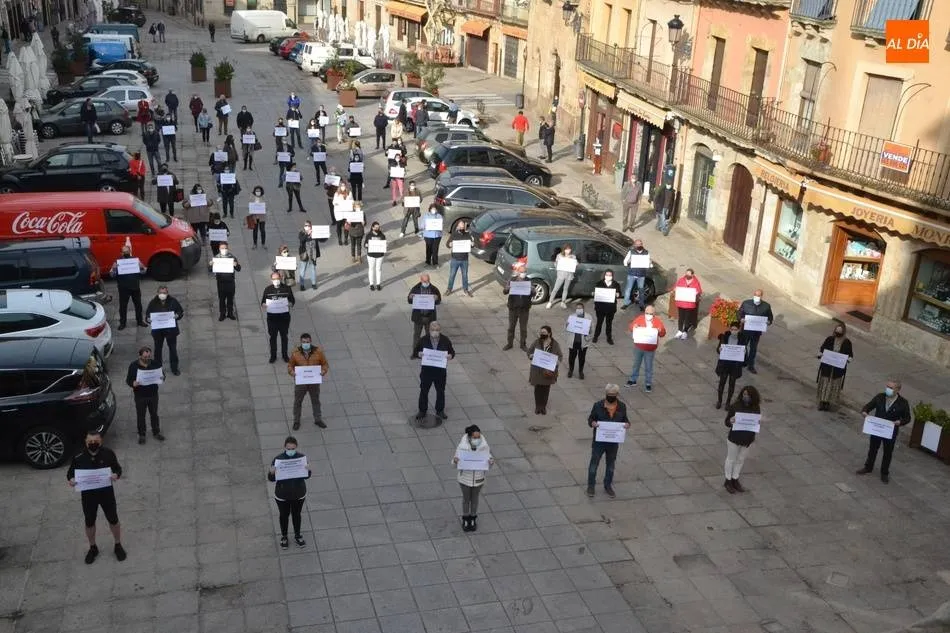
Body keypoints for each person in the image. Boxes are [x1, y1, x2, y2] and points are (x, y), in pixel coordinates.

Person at [67, 429, 126, 564]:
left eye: (96, 441)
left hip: (106, 493)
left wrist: (116, 475)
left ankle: (118, 545)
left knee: (113, 519)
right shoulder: (78, 456)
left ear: (101, 441)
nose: (93, 443)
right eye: (90, 441)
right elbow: (70, 473)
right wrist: (71, 480)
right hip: (88, 496)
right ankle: (93, 547)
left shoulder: (108, 454)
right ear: (86, 442)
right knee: (89, 522)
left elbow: (118, 468)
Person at [856, 380, 911, 484]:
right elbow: (868, 406)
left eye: (891, 388)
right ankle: (868, 467)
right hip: (877, 429)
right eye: (887, 386)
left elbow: (907, 418)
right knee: (873, 449)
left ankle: (884, 473)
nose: (888, 389)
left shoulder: (903, 403)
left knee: (888, 452)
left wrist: (900, 422)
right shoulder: (880, 397)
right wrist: (864, 412)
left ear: (898, 390)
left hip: (890, 431)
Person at [586, 384, 630, 498]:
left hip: (613, 442)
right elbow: (591, 418)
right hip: (599, 442)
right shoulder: (598, 406)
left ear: (617, 395)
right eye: (609, 395)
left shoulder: (622, 407)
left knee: (610, 465)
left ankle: (608, 485)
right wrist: (593, 423)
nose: (611, 397)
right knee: (594, 464)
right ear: (606, 395)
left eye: (613, 395)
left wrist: (627, 424)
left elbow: (625, 419)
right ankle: (591, 486)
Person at [267, 436, 311, 548]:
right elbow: (271, 479)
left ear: (296, 447)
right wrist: (271, 473)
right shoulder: (278, 459)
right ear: (285, 447)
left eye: (293, 448)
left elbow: (306, 476)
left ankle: (297, 536)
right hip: (282, 495)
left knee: (297, 515)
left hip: (298, 494)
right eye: (288, 448)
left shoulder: (302, 458)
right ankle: (284, 536)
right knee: (283, 516)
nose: (290, 451)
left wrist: (308, 470)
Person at [452, 425, 493, 532]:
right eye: (475, 438)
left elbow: (489, 460)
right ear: (469, 437)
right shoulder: (462, 447)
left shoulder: (484, 446)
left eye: (478, 437)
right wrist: (455, 461)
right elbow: (454, 462)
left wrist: (490, 462)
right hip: (464, 479)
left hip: (479, 479)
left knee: (475, 499)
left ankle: (473, 518)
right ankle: (466, 518)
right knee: (466, 499)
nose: (477, 439)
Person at [413, 321, 455, 421]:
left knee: (440, 391)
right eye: (433, 330)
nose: (434, 332)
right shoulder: (423, 340)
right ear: (429, 330)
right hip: (427, 371)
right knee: (424, 391)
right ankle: (422, 410)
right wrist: (419, 354)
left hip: (440, 372)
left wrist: (450, 356)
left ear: (440, 330)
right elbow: (415, 351)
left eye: (437, 330)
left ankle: (440, 410)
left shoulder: (445, 340)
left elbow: (452, 351)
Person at [723, 385, 761, 493]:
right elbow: (726, 422)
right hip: (734, 438)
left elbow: (755, 423)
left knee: (740, 459)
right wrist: (731, 421)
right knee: (731, 459)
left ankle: (735, 478)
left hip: (747, 439)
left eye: (748, 395)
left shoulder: (756, 408)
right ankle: (728, 480)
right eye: (744, 394)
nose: (746, 397)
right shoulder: (735, 406)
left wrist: (757, 423)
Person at [288, 333, 329, 429]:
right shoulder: (295, 353)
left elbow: (325, 364)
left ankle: (318, 419)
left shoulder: (318, 352)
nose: (305, 343)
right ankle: (296, 421)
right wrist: (292, 372)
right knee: (298, 402)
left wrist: (323, 371)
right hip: (300, 383)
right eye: (303, 342)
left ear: (310, 342)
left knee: (315, 401)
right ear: (301, 342)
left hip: (314, 383)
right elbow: (290, 365)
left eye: (307, 342)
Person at [125, 345, 165, 444]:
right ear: (140, 356)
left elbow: (162, 375)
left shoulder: (155, 364)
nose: (147, 359)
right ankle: (142, 434)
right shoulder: (133, 366)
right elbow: (128, 380)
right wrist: (132, 383)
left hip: (153, 395)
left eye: (148, 357)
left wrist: (163, 377)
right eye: (145, 357)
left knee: (154, 414)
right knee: (141, 416)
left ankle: (156, 432)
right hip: (140, 396)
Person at [626, 304, 666, 393]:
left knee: (648, 366)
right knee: (636, 364)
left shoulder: (657, 321)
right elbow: (631, 327)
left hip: (650, 349)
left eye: (650, 313)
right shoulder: (640, 318)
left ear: (654, 314)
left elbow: (663, 333)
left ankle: (648, 383)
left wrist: (660, 331)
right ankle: (633, 380)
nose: (648, 315)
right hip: (639, 346)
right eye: (647, 313)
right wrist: (634, 326)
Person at [145, 286, 184, 376]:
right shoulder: (153, 302)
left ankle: (174, 368)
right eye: (161, 293)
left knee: (173, 350)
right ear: (158, 293)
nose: (163, 295)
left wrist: (177, 315)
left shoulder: (173, 301)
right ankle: (158, 369)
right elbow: (147, 315)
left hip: (171, 331)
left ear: (167, 293)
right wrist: (148, 319)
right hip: (158, 331)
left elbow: (180, 311)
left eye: (164, 293)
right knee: (158, 350)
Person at [816, 323, 854, 411]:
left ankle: (828, 403)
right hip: (827, 367)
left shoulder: (847, 342)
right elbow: (822, 348)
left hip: (837, 369)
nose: (838, 333)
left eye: (840, 331)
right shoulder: (830, 339)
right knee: (825, 384)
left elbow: (850, 354)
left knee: (833, 385)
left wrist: (848, 359)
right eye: (837, 331)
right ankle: (822, 402)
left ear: (843, 332)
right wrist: (820, 354)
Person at [527, 325, 562, 415]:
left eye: (544, 333)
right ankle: (538, 407)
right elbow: (529, 352)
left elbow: (560, 356)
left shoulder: (555, 344)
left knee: (546, 390)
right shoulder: (537, 342)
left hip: (548, 372)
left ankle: (543, 407)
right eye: (541, 332)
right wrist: (531, 356)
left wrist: (557, 362)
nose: (542, 334)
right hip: (537, 371)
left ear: (549, 334)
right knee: (537, 389)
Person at [262, 272, 296, 363]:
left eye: (277, 278)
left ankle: (285, 355)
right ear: (271, 280)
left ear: (280, 278)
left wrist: (290, 304)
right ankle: (273, 356)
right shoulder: (268, 290)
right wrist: (264, 305)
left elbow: (292, 300)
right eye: (274, 279)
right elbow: (263, 301)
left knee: (284, 336)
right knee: (273, 337)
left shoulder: (287, 288)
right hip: (272, 318)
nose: (276, 281)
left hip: (284, 318)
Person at [110, 245, 146, 330]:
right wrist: (114, 269)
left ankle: (140, 321)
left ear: (130, 252)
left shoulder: (135, 260)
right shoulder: (117, 262)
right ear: (121, 253)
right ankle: (122, 323)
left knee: (138, 306)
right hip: (123, 289)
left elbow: (144, 272)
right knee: (123, 307)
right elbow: (112, 275)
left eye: (127, 251)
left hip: (135, 287)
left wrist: (142, 267)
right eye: (124, 251)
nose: (125, 253)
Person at [738, 289, 774, 374]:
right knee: (743, 346)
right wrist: (741, 319)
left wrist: (769, 322)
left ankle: (751, 365)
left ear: (761, 296)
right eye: (755, 295)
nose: (757, 297)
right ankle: (742, 362)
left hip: (756, 332)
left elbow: (770, 317)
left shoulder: (766, 306)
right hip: (746, 331)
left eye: (759, 295)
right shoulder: (746, 303)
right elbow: (739, 313)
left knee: (753, 349)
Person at [715, 320, 748, 409]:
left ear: (739, 330)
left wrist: (744, 352)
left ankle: (728, 402)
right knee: (722, 383)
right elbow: (718, 349)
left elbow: (744, 352)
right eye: (732, 329)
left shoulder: (742, 338)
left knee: (731, 384)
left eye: (736, 329)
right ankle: (719, 401)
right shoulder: (725, 336)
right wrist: (720, 349)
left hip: (735, 366)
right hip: (725, 364)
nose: (734, 331)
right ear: (730, 329)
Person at [502, 262, 531, 351]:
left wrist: (533, 290)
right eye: (522, 272)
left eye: (524, 272)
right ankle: (509, 343)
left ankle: (523, 344)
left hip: (524, 309)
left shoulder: (528, 281)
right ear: (518, 272)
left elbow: (533, 293)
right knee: (511, 327)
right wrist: (507, 288)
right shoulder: (512, 280)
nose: (523, 274)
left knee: (523, 329)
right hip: (513, 308)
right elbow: (505, 291)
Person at [210, 242, 241, 321]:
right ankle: (222, 314)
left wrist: (236, 265)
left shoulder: (232, 257)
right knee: (222, 299)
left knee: (230, 298)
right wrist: (211, 265)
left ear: (227, 248)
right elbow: (210, 269)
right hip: (221, 282)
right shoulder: (216, 258)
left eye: (225, 248)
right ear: (219, 249)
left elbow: (239, 269)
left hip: (230, 282)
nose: (224, 250)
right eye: (222, 248)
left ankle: (230, 313)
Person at [408, 274, 441, 347]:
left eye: (428, 281)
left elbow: (439, 301)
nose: (426, 282)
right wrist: (410, 297)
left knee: (429, 336)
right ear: (421, 280)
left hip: (430, 317)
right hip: (418, 317)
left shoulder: (434, 289)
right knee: (417, 335)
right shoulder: (415, 288)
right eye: (425, 281)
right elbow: (409, 300)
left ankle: (428, 353)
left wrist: (437, 298)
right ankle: (415, 352)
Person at [592, 270, 622, 344]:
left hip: (610, 308)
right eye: (607, 275)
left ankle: (609, 338)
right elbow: (595, 292)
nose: (608, 276)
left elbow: (620, 293)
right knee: (599, 322)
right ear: (604, 275)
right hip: (600, 307)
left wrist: (618, 294)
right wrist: (594, 293)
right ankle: (595, 336)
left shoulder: (616, 284)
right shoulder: (599, 283)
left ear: (612, 276)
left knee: (609, 324)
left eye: (610, 275)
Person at [446, 220, 474, 297]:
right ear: (458, 227)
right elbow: (447, 244)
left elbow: (472, 245)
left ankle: (465, 289)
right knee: (452, 275)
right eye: (460, 226)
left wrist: (472, 244)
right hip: (455, 259)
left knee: (465, 275)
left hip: (464, 259)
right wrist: (450, 244)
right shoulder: (454, 235)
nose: (461, 228)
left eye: (463, 226)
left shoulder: (468, 234)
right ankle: (449, 289)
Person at [673, 268, 702, 339]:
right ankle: (680, 330)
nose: (687, 275)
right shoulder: (681, 280)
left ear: (692, 275)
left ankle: (685, 331)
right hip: (681, 302)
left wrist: (696, 293)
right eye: (686, 273)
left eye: (689, 274)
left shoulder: (696, 282)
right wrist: (675, 290)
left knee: (687, 318)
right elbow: (675, 287)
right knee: (681, 317)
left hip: (689, 304)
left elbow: (699, 290)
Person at [621, 239, 650, 311]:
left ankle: (641, 304)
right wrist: (629, 261)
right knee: (628, 289)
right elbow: (625, 262)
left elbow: (649, 263)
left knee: (641, 290)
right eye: (637, 244)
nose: (638, 246)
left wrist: (649, 263)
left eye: (640, 244)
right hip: (632, 274)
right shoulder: (631, 252)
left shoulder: (646, 253)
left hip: (641, 275)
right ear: (634, 245)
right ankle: (626, 303)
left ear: (642, 244)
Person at [566, 301, 592, 379]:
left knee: (582, 358)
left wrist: (588, 335)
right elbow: (567, 327)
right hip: (573, 341)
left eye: (580, 308)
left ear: (583, 309)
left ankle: (581, 371)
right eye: (577, 308)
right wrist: (567, 325)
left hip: (583, 341)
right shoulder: (572, 316)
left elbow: (591, 329)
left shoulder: (588, 317)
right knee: (571, 357)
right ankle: (571, 370)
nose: (578, 310)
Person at [298, 221, 320, 291]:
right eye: (305, 225)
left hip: (312, 254)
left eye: (308, 225)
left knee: (313, 269)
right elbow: (302, 240)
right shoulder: (301, 233)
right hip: (304, 254)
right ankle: (302, 285)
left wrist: (326, 236)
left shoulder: (315, 232)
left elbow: (321, 239)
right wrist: (307, 233)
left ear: (311, 226)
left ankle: (313, 284)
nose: (307, 226)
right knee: (303, 269)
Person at [364, 221, 386, 290]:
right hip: (371, 255)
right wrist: (366, 245)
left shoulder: (382, 235)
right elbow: (365, 244)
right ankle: (371, 284)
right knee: (371, 269)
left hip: (380, 255)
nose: (377, 228)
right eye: (376, 227)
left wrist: (385, 245)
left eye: (378, 227)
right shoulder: (369, 235)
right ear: (372, 227)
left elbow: (384, 243)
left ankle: (378, 284)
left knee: (378, 269)